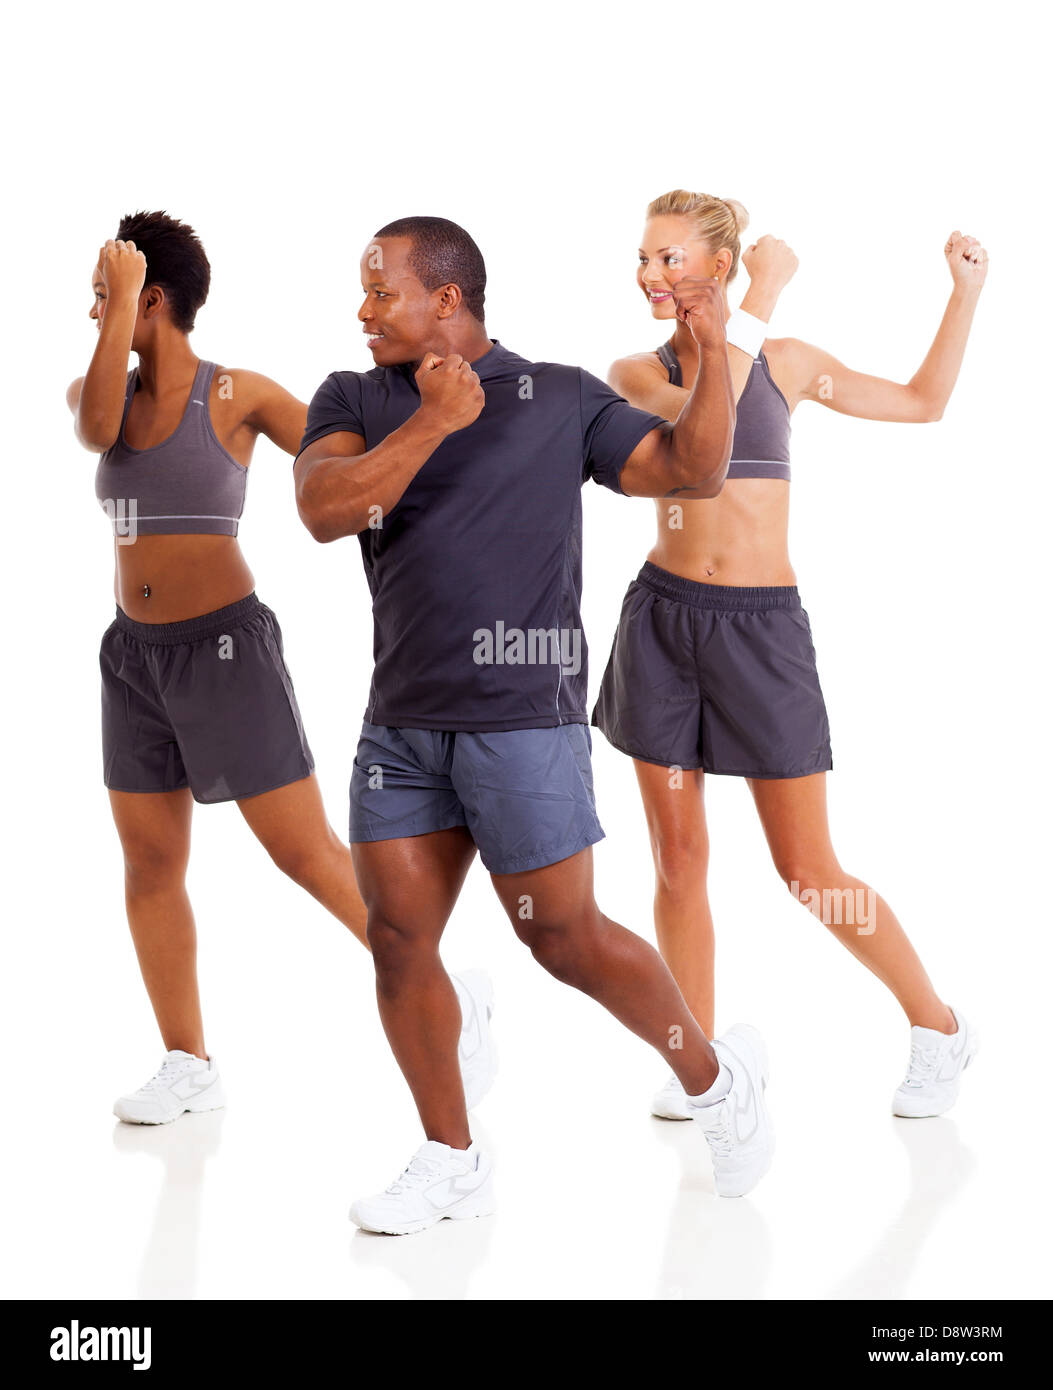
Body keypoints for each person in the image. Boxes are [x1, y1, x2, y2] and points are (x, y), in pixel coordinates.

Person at [295, 215, 798, 1233]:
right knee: (397, 937)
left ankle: (714, 1077)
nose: (361, 309)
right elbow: (324, 509)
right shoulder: (351, 397)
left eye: (379, 290)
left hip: (523, 718)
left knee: (562, 938)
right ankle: (452, 1154)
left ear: (447, 298)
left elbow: (689, 470)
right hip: (400, 725)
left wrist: (706, 359)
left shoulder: (559, 396)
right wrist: (432, 421)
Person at [68, 211, 495, 1126]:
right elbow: (97, 427)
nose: (91, 314)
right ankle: (187, 1061)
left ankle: (448, 994)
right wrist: (114, 315)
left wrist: (436, 431)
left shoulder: (238, 396)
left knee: (305, 855)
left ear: (153, 301)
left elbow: (345, 468)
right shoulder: (99, 387)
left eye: (105, 298)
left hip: (225, 650)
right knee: (149, 864)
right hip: (132, 658)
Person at [591, 189, 986, 1122]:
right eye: (643, 258)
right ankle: (701, 1062)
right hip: (662, 621)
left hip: (761, 632)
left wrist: (962, 295)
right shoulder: (634, 373)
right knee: (678, 859)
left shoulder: (790, 364)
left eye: (670, 258)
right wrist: (759, 298)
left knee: (808, 868)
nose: (650, 274)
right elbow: (703, 433)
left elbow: (923, 405)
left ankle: (937, 1026)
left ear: (718, 266)